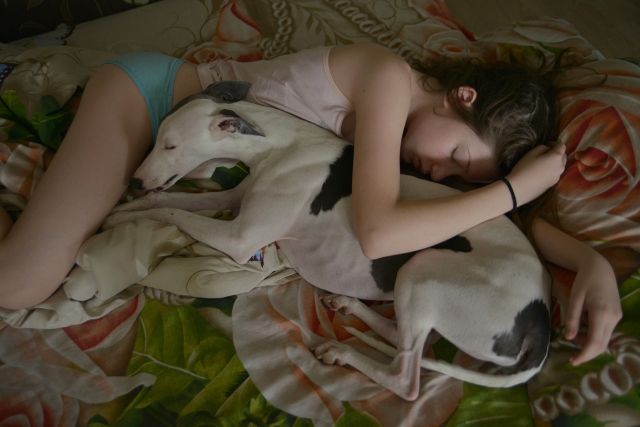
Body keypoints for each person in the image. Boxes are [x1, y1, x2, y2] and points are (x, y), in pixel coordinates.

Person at [0, 43, 621, 366]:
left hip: (183, 151)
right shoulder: (388, 80)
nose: (439, 173)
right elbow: (378, 233)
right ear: (461, 96)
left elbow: (474, 215)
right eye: (457, 157)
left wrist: (586, 258)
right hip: (152, 101)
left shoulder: (408, 144)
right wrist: (512, 190)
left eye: (456, 175)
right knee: (18, 284)